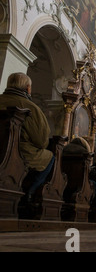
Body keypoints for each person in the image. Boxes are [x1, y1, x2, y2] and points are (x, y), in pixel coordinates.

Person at [0, 72, 54, 202]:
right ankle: (28, 192)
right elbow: (41, 141)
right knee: (50, 157)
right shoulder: (30, 107)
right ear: (28, 88)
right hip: (18, 152)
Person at [63, 137, 96, 214]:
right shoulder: (83, 153)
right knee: (93, 183)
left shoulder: (63, 150)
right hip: (79, 182)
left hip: (63, 180)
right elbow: (87, 170)